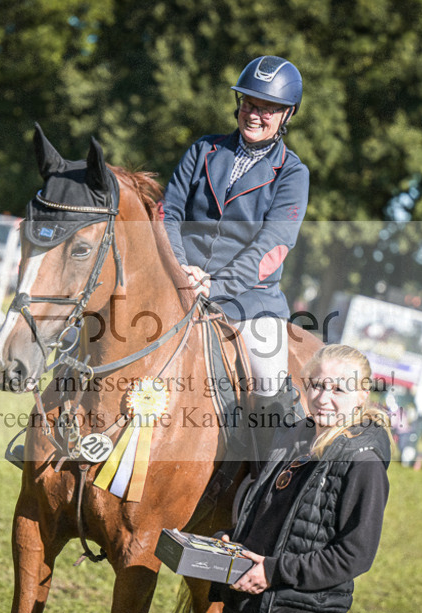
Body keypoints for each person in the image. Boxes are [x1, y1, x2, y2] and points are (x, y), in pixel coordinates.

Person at [212, 344, 391, 613]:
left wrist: (273, 572)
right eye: (317, 385)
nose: (323, 397)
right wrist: (233, 543)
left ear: (361, 395)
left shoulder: (363, 464)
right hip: (241, 611)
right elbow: (268, 515)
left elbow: (354, 555)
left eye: (338, 389)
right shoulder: (291, 437)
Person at [162, 55, 309, 453]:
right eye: (248, 103)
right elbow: (167, 211)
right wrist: (181, 269)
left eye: (267, 108)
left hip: (249, 300)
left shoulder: (293, 174)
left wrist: (215, 284)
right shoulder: (203, 150)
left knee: (270, 383)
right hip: (179, 280)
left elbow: (273, 246)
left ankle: (264, 485)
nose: (254, 114)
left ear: (286, 115)